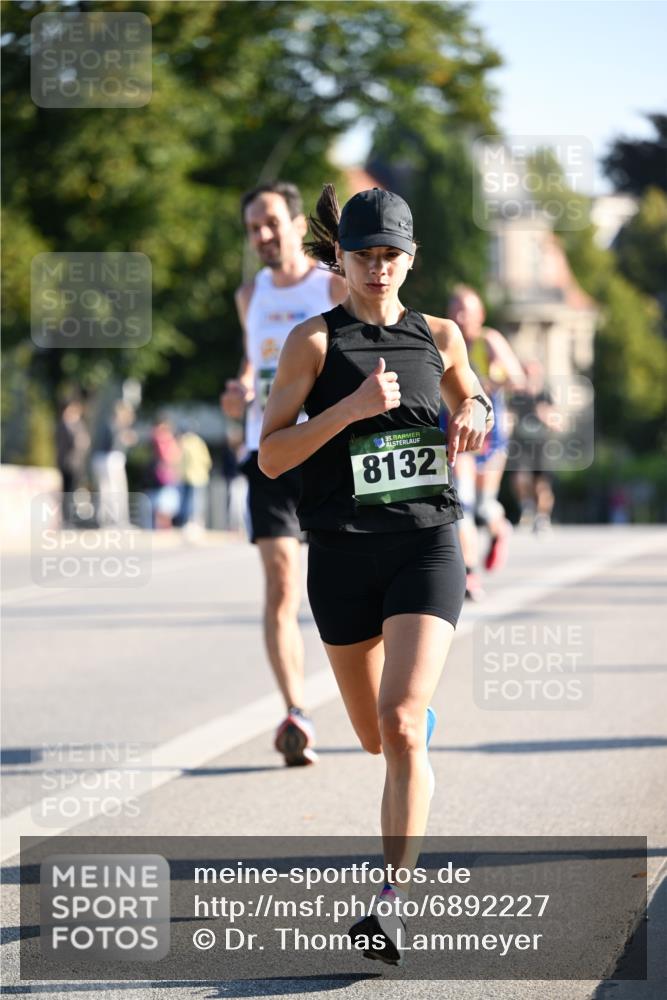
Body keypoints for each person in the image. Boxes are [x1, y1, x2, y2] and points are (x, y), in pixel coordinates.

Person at [258, 185, 493, 964]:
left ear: (410, 259)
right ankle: (410, 726)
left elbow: (473, 395)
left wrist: (477, 411)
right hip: (341, 556)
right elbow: (272, 454)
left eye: (391, 255)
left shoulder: (439, 336)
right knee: (372, 736)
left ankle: (391, 904)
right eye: (364, 255)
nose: (378, 267)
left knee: (398, 724)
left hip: (425, 547)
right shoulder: (312, 343)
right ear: (340, 257)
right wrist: (349, 410)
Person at [221, 181, 346, 767]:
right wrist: (240, 389)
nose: (263, 235)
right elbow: (254, 361)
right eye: (254, 228)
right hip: (268, 452)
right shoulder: (250, 295)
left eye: (271, 222)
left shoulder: (333, 285)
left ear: (298, 225)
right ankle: (297, 711)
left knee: (348, 583)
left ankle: (386, 693)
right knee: (280, 585)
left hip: (328, 453)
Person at [447, 286, 525, 600]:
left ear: (480, 315)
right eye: (455, 308)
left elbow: (518, 379)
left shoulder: (488, 341)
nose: (459, 316)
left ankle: (499, 528)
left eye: (466, 310)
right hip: (458, 432)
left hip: (491, 434)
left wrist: (492, 380)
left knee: (483, 505)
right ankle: (469, 573)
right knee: (462, 502)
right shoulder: (446, 341)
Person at [509, 360, 556, 533]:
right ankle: (527, 506)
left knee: (542, 484)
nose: (530, 378)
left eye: (533, 374)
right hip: (521, 444)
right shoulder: (517, 396)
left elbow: (557, 422)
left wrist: (545, 415)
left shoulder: (545, 396)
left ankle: (542, 517)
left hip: (541, 446)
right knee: (518, 478)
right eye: (526, 374)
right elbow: (508, 417)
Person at [56, 398, 90, 526]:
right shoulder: (63, 425)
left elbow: (84, 442)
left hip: (76, 463)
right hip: (66, 463)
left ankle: (71, 519)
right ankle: (66, 520)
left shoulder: (78, 425)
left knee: (73, 491)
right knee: (67, 491)